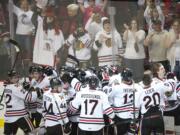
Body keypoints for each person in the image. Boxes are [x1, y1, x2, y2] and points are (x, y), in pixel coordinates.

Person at [3, 70, 41, 135]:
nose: (17, 79)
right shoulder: (17, 87)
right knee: (32, 132)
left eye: (17, 77)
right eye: (14, 77)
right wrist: (35, 91)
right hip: (20, 115)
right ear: (10, 79)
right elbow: (30, 98)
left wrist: (24, 88)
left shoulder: (6, 87)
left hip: (8, 116)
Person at [109, 68, 142, 135]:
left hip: (120, 116)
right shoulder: (138, 87)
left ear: (122, 77)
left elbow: (109, 99)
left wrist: (112, 108)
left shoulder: (117, 88)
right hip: (133, 117)